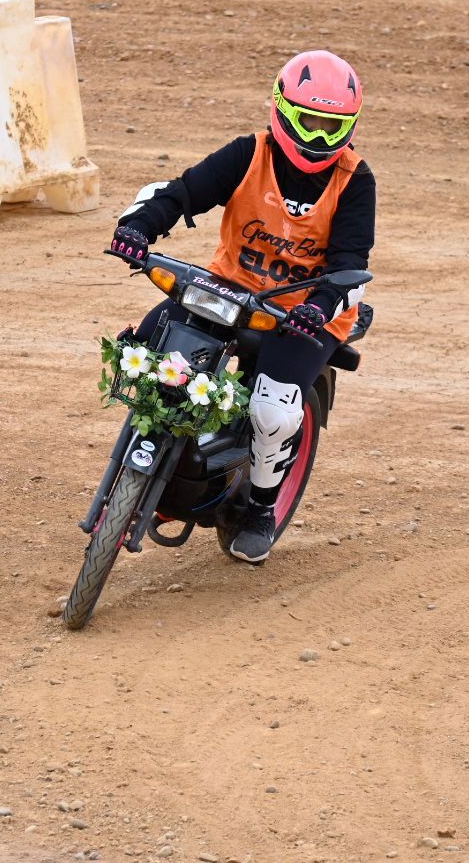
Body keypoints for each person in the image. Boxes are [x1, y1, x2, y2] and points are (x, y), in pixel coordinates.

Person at [105, 50, 376, 565]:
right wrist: (137, 230)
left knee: (272, 411)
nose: (318, 137)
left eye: (331, 125)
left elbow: (350, 262)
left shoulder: (354, 180)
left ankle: (258, 508)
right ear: (282, 109)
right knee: (153, 348)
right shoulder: (247, 154)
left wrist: (318, 307)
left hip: (303, 315)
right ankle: (175, 465)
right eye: (310, 121)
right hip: (228, 290)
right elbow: (183, 193)